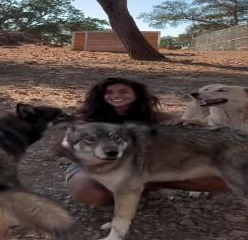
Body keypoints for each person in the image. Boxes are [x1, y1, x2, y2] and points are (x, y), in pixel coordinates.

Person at [65, 77, 227, 205]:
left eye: (123, 91)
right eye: (109, 92)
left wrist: (196, 126)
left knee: (216, 181)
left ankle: (143, 187)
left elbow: (194, 137)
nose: (116, 96)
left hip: (147, 168)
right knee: (90, 193)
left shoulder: (155, 117)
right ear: (101, 95)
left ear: (136, 94)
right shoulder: (86, 117)